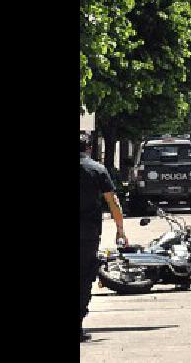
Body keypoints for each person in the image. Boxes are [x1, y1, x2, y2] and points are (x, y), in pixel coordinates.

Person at [81, 135, 128, 343]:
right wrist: (120, 230)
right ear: (89, 148)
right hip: (87, 234)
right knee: (83, 277)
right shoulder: (97, 170)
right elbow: (113, 202)